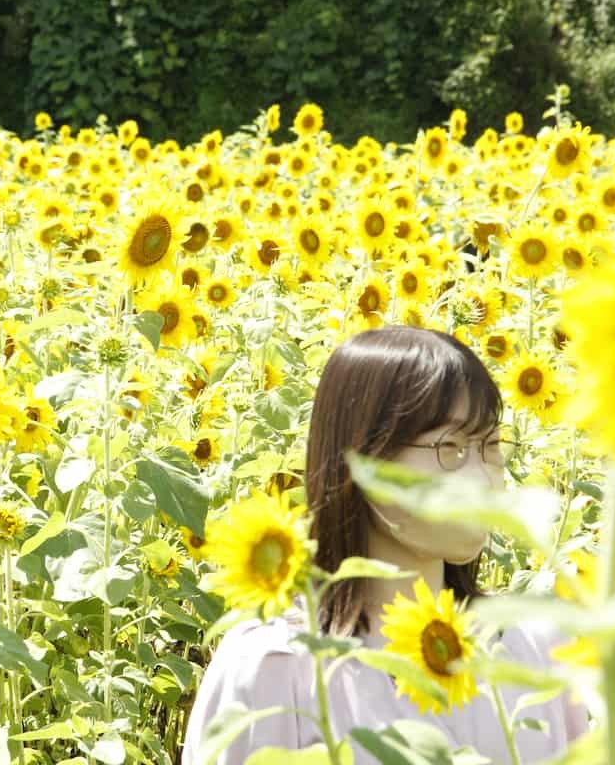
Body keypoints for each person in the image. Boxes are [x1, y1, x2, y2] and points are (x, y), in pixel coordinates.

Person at [180, 326, 588, 764]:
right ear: (364, 460)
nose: (483, 479)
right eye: (450, 448)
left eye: (489, 446)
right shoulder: (276, 664)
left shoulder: (534, 645)